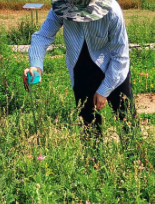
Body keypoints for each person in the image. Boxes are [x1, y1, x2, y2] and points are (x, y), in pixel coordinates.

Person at [24, 0, 133, 131]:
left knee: (127, 121)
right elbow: (42, 36)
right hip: (81, 70)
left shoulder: (112, 11)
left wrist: (104, 90)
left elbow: (120, 56)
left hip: (114, 69)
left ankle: (134, 150)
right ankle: (93, 150)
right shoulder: (60, 7)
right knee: (89, 127)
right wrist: (36, 65)